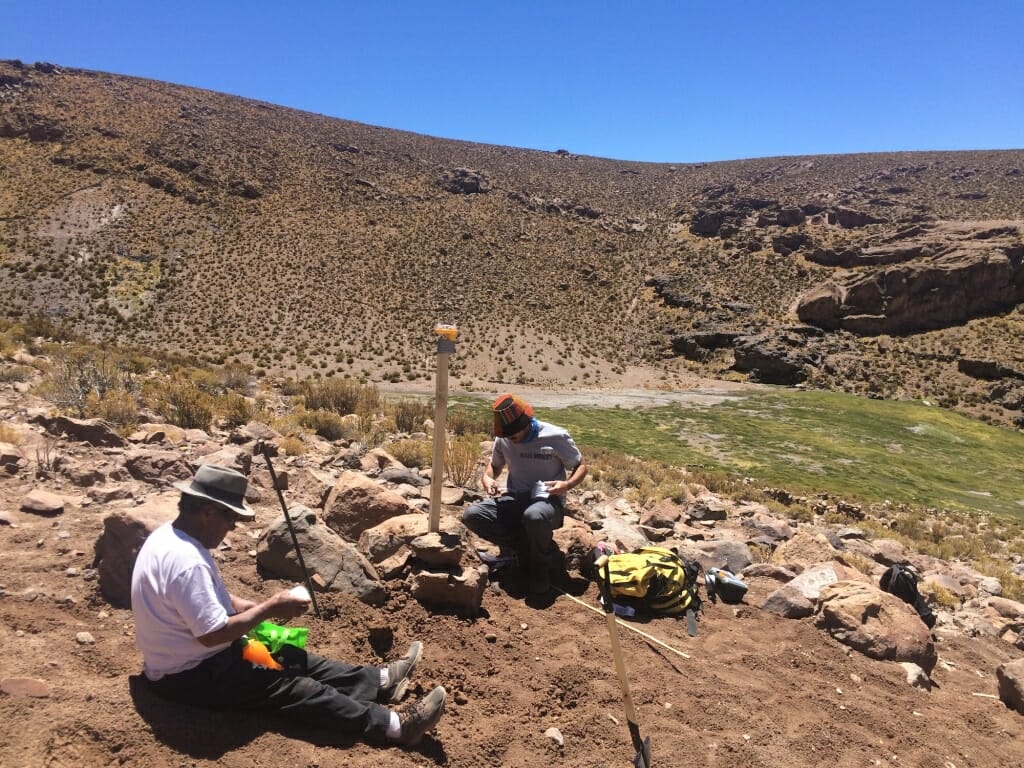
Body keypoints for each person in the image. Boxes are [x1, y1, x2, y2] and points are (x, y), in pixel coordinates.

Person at [130, 464, 445, 748]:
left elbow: (203, 600)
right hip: (191, 675)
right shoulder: (187, 562)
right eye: (230, 517)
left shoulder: (170, 538)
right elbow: (212, 634)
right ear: (208, 512)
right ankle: (395, 726)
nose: (233, 527)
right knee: (292, 687)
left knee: (289, 653)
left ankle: (379, 681)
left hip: (190, 657)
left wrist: (244, 606)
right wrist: (268, 608)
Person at [462, 393, 588, 594]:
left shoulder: (556, 436)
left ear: (526, 423)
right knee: (472, 516)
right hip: (515, 498)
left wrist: (567, 484)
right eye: (506, 434)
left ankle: (540, 566)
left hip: (547, 501)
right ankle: (523, 549)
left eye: (513, 433)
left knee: (533, 516)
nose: (510, 438)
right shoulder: (503, 440)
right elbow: (494, 466)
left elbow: (580, 465)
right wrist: (487, 479)